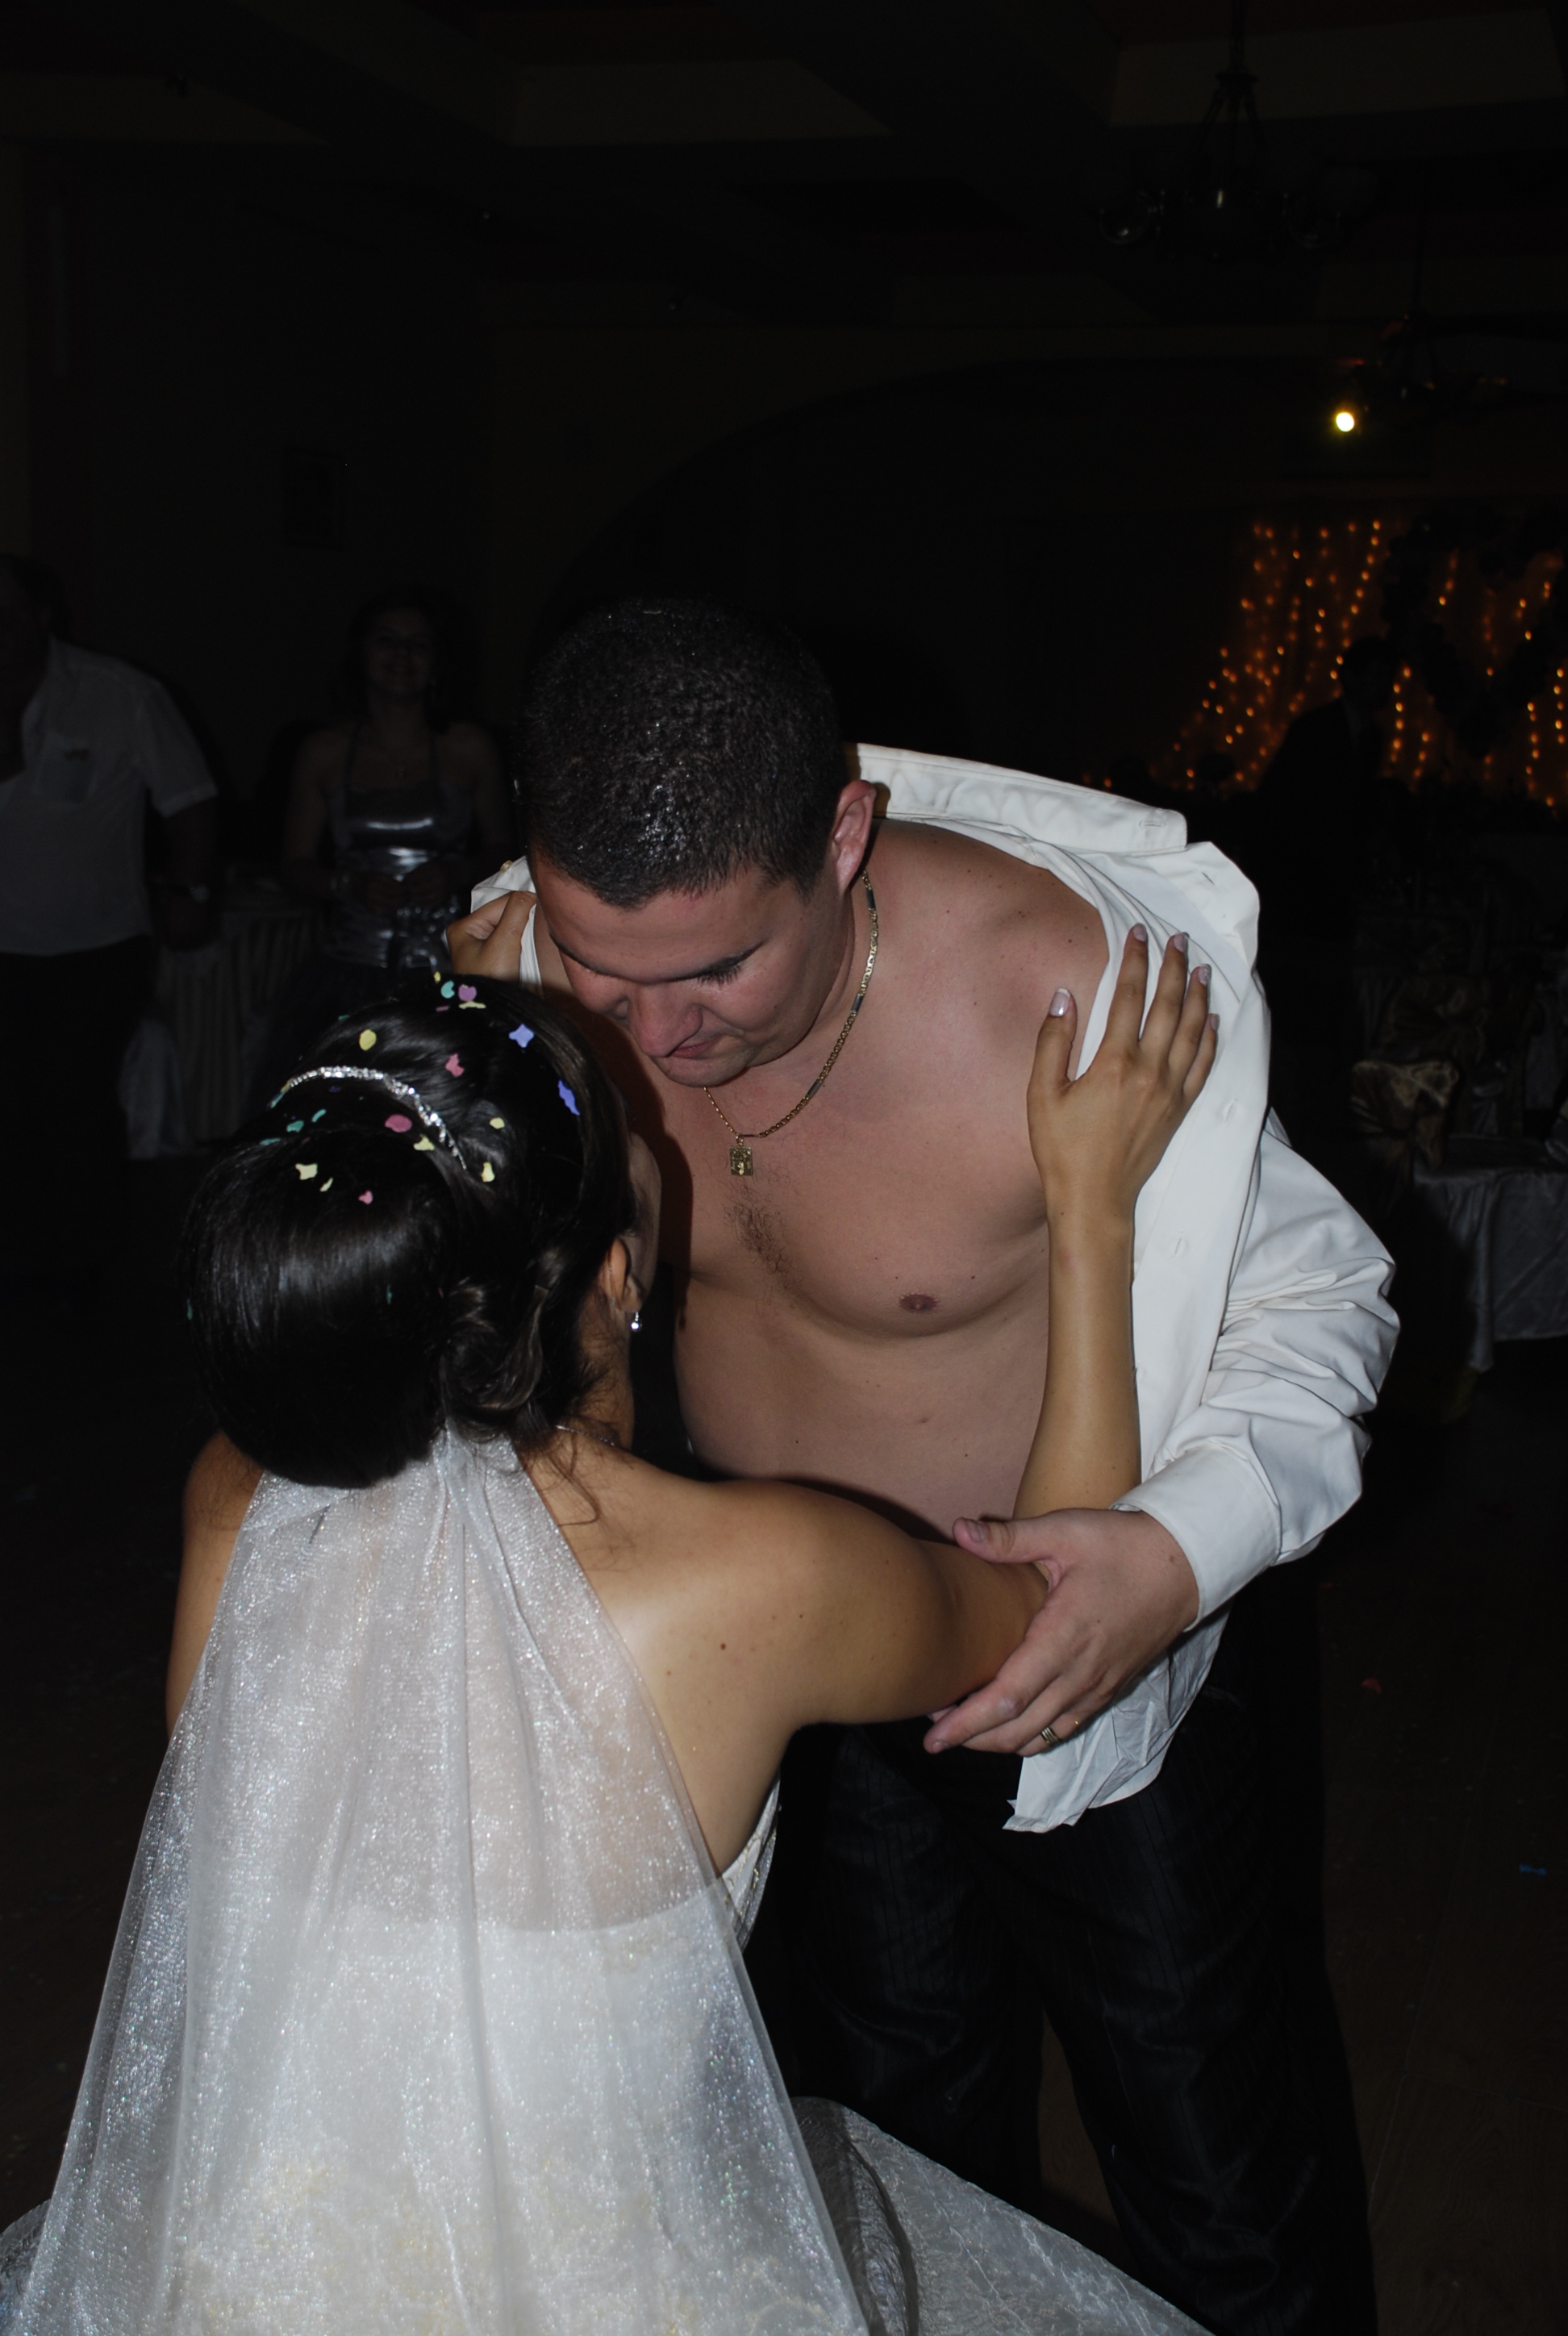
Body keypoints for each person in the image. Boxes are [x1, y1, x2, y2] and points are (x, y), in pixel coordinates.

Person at [2, 960, 1212, 2334]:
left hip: (229, 2285)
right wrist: (1091, 1209)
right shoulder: (763, 1582)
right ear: (620, 1276)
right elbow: (1061, 1615)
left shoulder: (236, 1497)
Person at [448, 599, 1398, 2335]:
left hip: (1088, 1652)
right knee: (897, 2145)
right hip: (805, 1657)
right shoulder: (528, 971)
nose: (655, 1036)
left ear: (842, 836)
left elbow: (1322, 1296)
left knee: (1212, 2168)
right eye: (608, 970)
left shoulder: (1075, 979)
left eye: (718, 971)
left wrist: (1174, 1555)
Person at [0, 555, 218, 1293]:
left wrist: (190, 890)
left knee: (73, 1101)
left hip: (92, 948)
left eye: (8, 613)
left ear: (42, 616)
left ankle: (84, 1265)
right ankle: (21, 1257)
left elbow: (189, 799)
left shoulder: (119, 694)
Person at [251, 587, 515, 1101]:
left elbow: (505, 851)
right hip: (350, 968)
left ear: (437, 662)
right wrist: (350, 884)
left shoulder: (469, 747)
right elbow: (294, 865)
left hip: (449, 963)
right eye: (387, 641)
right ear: (360, 655)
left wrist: (456, 873)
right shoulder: (324, 751)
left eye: (418, 644)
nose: (401, 655)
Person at [1253, 634, 1405, 1151]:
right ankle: (1292, 1117)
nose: (1383, 687)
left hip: (1333, 892)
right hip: (1299, 889)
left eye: (1387, 678)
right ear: (1351, 678)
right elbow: (1281, 810)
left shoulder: (1370, 736)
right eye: (1375, 676)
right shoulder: (1315, 730)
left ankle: (1315, 1113)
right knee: (1296, 1005)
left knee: (1322, 1005)